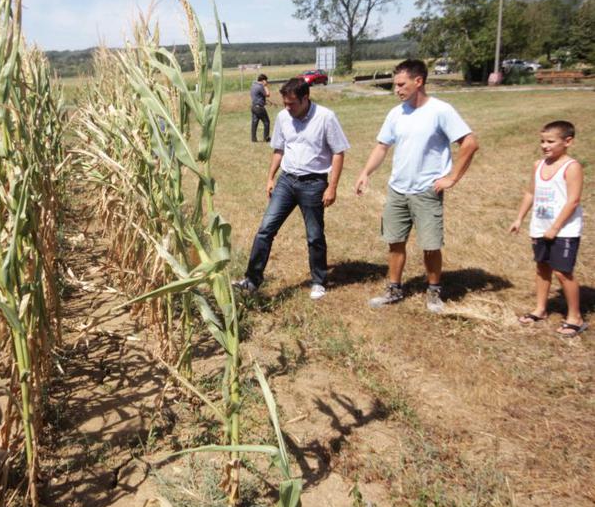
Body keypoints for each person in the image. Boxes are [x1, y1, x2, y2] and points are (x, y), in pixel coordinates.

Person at [354, 59, 479, 313]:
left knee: (430, 246)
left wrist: (452, 177)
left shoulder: (440, 111)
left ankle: (433, 292)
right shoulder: (396, 113)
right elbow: (382, 146)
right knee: (395, 242)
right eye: (395, 85)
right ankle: (394, 289)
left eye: (401, 84)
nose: (396, 90)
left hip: (426, 191)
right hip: (398, 190)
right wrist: (366, 172)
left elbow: (469, 143)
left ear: (418, 81)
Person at [233, 77, 349, 299]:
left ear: (305, 98)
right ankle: (251, 280)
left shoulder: (325, 117)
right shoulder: (283, 117)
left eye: (292, 103)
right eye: (285, 103)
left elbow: (338, 152)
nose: (287, 108)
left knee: (314, 235)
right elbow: (279, 149)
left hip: (313, 183)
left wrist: (332, 187)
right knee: (265, 230)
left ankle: (318, 281)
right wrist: (270, 178)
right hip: (286, 181)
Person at [508, 121, 585, 336]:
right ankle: (540, 309)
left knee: (562, 272)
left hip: (564, 230)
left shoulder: (572, 167)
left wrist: (555, 227)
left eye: (550, 141)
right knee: (542, 267)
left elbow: (573, 201)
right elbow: (531, 193)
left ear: (568, 142)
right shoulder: (538, 165)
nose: (544, 145)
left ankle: (575, 317)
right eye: (542, 141)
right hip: (539, 227)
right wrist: (519, 218)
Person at [250, 73, 271, 142]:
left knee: (254, 122)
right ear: (263, 80)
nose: (267, 82)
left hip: (254, 106)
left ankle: (253, 139)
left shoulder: (253, 85)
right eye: (266, 81)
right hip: (259, 108)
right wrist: (265, 86)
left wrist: (264, 101)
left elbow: (257, 96)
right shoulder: (260, 86)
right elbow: (268, 94)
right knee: (266, 122)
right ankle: (266, 138)